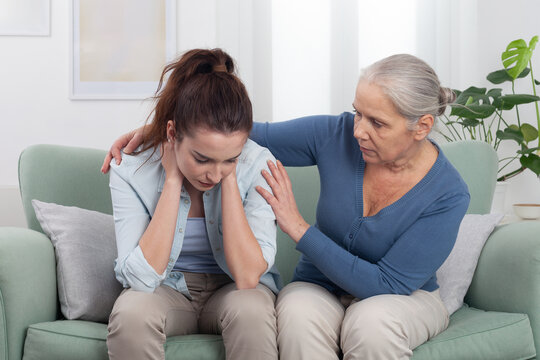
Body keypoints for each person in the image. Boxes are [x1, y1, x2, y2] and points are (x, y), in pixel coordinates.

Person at [102, 53, 470, 359]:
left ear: (421, 127)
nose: (358, 130)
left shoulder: (448, 194)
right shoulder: (335, 134)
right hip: (319, 287)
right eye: (358, 113)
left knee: (370, 322)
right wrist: (156, 131)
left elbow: (388, 282)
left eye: (377, 122)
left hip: (399, 296)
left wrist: (298, 227)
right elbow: (233, 131)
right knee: (294, 313)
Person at [105, 48, 280, 360]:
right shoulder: (131, 168)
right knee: (132, 313)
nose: (213, 173)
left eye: (230, 158)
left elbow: (247, 277)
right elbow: (140, 279)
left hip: (231, 290)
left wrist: (230, 177)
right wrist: (173, 181)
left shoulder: (258, 164)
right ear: (173, 134)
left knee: (253, 310)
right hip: (166, 289)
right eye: (202, 158)